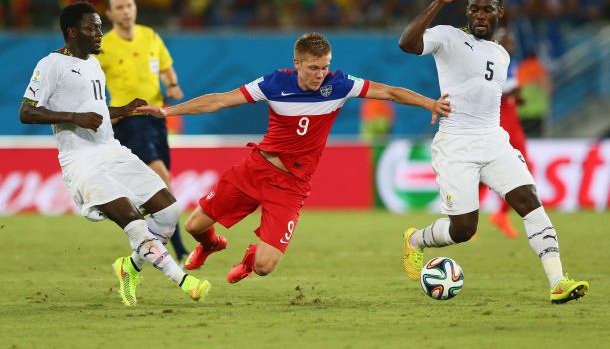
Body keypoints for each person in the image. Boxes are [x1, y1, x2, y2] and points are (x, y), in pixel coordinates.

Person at [136, 32, 451, 283]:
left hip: (291, 185)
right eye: (313, 67)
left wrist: (430, 104)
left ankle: (248, 260)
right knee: (193, 226)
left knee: (264, 267)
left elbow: (391, 92)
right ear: (297, 63)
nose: (320, 74)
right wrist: (167, 111)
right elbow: (219, 101)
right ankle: (210, 245)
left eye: (325, 66)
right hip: (256, 169)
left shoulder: (339, 85)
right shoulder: (274, 84)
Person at [397, 0, 588, 304]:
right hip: (456, 145)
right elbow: (407, 43)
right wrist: (438, 3)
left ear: (500, 12)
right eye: (474, 8)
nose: (480, 14)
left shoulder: (500, 54)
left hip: (494, 142)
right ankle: (415, 240)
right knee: (463, 229)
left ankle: (558, 282)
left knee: (530, 202)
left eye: (487, 8)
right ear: (467, 11)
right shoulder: (448, 36)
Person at [19, 2, 210, 307]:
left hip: (112, 151)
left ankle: (130, 267)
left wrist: (122, 110)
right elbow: (26, 112)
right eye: (91, 28)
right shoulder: (50, 64)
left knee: (169, 211)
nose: (99, 33)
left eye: (99, 26)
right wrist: (74, 117)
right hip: (81, 161)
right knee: (135, 225)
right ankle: (184, 281)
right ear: (72, 32)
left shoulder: (94, 64)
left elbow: (94, 112)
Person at [94, 0, 190, 265]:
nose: (126, 11)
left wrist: (171, 84)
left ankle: (145, 242)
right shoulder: (104, 46)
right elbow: (92, 83)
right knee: (160, 175)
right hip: (129, 121)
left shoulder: (150, 36)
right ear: (110, 14)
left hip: (156, 119)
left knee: (163, 181)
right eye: (119, 7)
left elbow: (166, 67)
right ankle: (180, 250)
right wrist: (104, 112)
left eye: (129, 5)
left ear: (135, 8)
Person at [485, 28, 529, 238]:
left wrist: (517, 98)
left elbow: (510, 93)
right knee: (484, 172)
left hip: (513, 124)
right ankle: (465, 215)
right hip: (499, 125)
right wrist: (510, 92)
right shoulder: (490, 64)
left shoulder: (513, 65)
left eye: (511, 42)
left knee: (525, 167)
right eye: (505, 41)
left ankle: (501, 214)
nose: (509, 45)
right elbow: (490, 92)